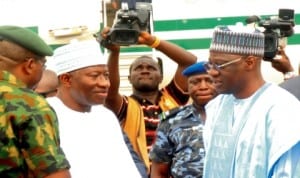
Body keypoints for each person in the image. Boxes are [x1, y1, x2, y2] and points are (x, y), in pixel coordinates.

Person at [203, 25, 300, 178]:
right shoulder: (216, 107)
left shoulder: (282, 109)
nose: (212, 72)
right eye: (210, 64)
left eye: (220, 65)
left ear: (249, 62)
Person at [100, 27, 197, 172]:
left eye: (151, 68)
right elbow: (111, 89)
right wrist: (114, 52)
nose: (145, 70)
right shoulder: (125, 106)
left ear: (161, 77)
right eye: (138, 68)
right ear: (129, 79)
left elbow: (189, 62)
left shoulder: (172, 97)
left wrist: (153, 42)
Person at [47, 40, 143, 178]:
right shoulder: (45, 114)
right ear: (66, 79)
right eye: (94, 76)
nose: (105, 83)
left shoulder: (105, 116)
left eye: (106, 75)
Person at [0, 25, 71, 177]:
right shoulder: (28, 103)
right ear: (30, 65)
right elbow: (54, 174)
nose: (43, 70)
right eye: (43, 65)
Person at [149, 61, 218, 178]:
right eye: (195, 82)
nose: (203, 87)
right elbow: (159, 171)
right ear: (187, 87)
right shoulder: (172, 120)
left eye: (209, 81)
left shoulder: (235, 116)